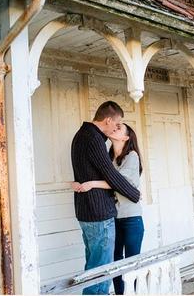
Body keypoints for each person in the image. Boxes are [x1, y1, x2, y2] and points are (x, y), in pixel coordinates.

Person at [71, 101, 140, 295]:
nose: (116, 127)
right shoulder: (93, 138)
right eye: (116, 124)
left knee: (95, 267)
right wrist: (134, 194)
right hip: (98, 214)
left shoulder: (83, 135)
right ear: (108, 120)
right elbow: (110, 175)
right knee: (101, 273)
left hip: (90, 212)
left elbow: (96, 175)